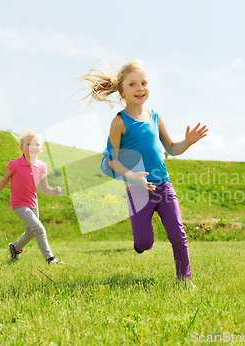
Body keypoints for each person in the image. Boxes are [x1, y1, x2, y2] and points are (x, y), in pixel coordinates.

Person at [80, 60, 208, 280]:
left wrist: (187, 142)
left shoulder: (155, 118)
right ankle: (140, 245)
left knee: (178, 234)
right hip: (138, 189)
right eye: (132, 84)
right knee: (145, 243)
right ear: (121, 91)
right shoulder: (119, 122)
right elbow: (113, 161)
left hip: (164, 185)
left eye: (144, 82)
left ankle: (184, 280)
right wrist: (133, 176)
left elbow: (171, 148)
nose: (139, 88)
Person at [0, 130, 63, 264]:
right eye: (29, 144)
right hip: (19, 204)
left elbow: (44, 188)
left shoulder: (42, 166)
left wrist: (54, 191)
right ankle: (50, 259)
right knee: (39, 229)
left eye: (37, 144)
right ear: (22, 148)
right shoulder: (15, 164)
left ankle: (15, 248)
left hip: (33, 204)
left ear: (41, 149)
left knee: (31, 232)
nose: (33, 147)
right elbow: (3, 180)